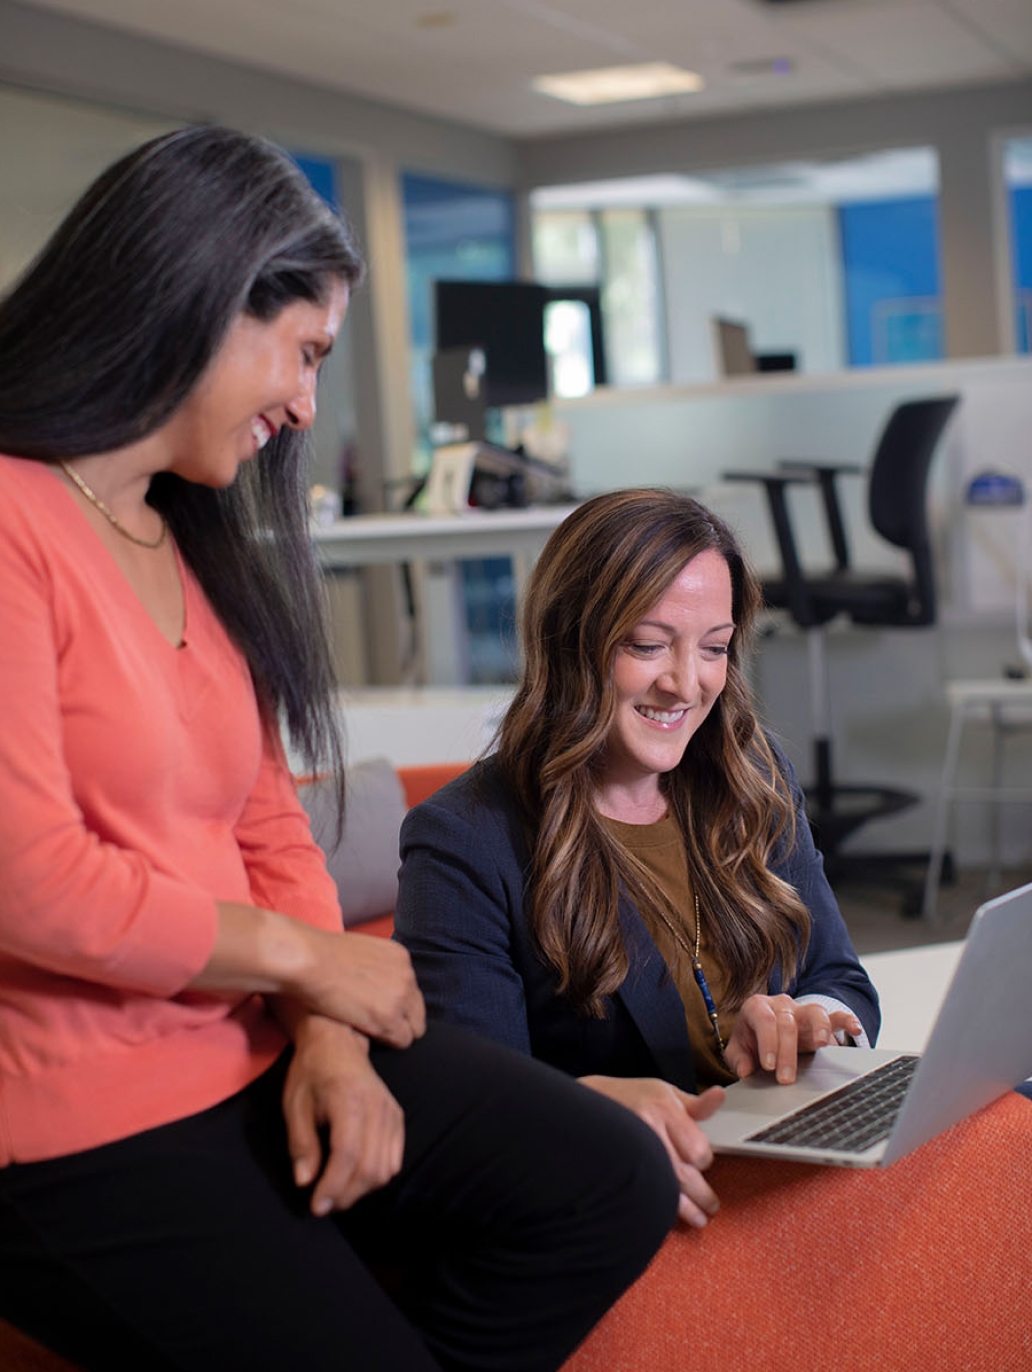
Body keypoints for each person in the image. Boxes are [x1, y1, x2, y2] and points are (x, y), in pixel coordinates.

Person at [0, 129, 680, 1372]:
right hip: (74, 1124)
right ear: (200, 295)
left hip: (254, 1054)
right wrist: (311, 960)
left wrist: (326, 1030)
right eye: (304, 352)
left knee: (609, 1179)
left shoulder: (188, 536)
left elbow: (267, 823)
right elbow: (30, 878)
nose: (310, 404)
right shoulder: (10, 521)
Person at [395, 487, 881, 1228]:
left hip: (791, 1159)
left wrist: (812, 1019)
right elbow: (465, 1105)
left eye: (713, 647)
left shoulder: (753, 774)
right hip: (648, 1199)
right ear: (571, 643)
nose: (686, 683)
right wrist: (590, 1100)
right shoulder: (466, 837)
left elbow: (840, 978)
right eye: (648, 645)